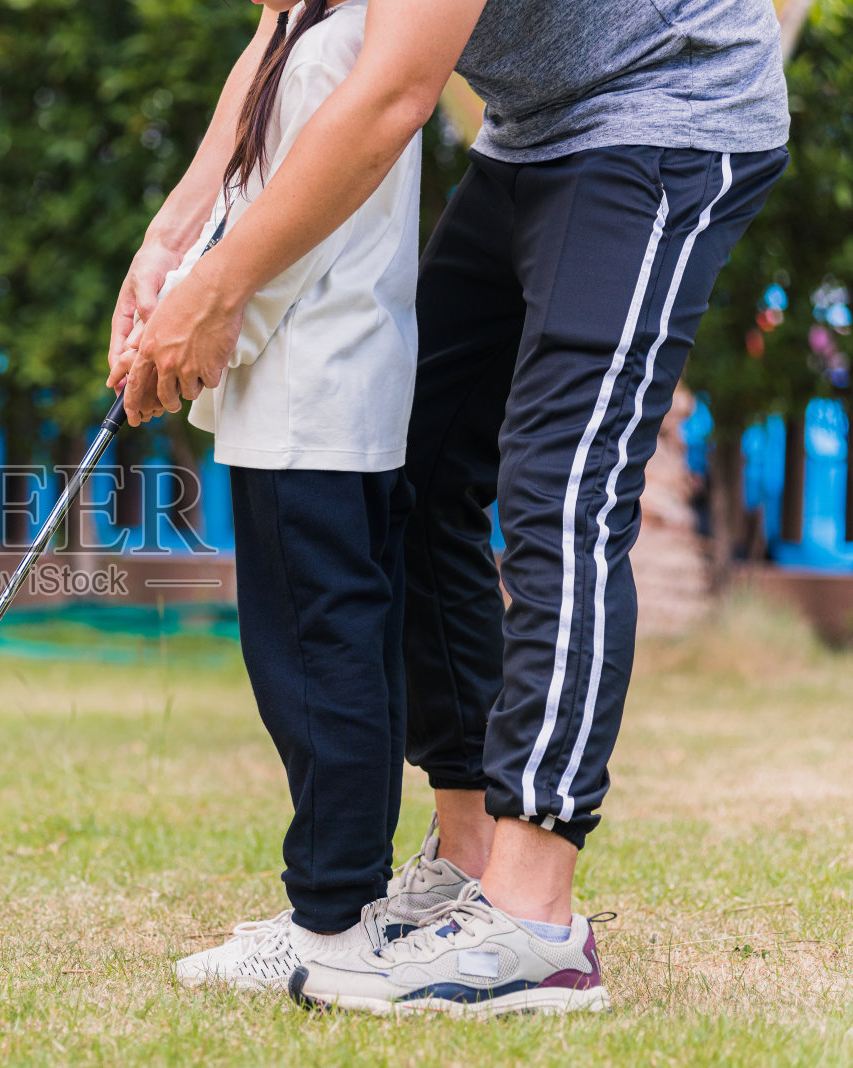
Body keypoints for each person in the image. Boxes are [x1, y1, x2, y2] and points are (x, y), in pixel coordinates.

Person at [114, 0, 788, 1015]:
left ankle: (533, 921)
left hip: (664, 109)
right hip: (531, 132)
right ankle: (467, 863)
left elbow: (391, 96)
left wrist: (220, 290)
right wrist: (174, 241)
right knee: (419, 468)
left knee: (560, 489)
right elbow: (284, 26)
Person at [109, 0, 473, 992]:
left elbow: (267, 264)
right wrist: (168, 287)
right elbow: (235, 219)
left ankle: (328, 923)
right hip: (350, 409)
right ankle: (349, 903)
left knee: (313, 675)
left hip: (301, 411)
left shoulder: (323, 58)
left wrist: (177, 349)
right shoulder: (331, 43)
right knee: (351, 658)